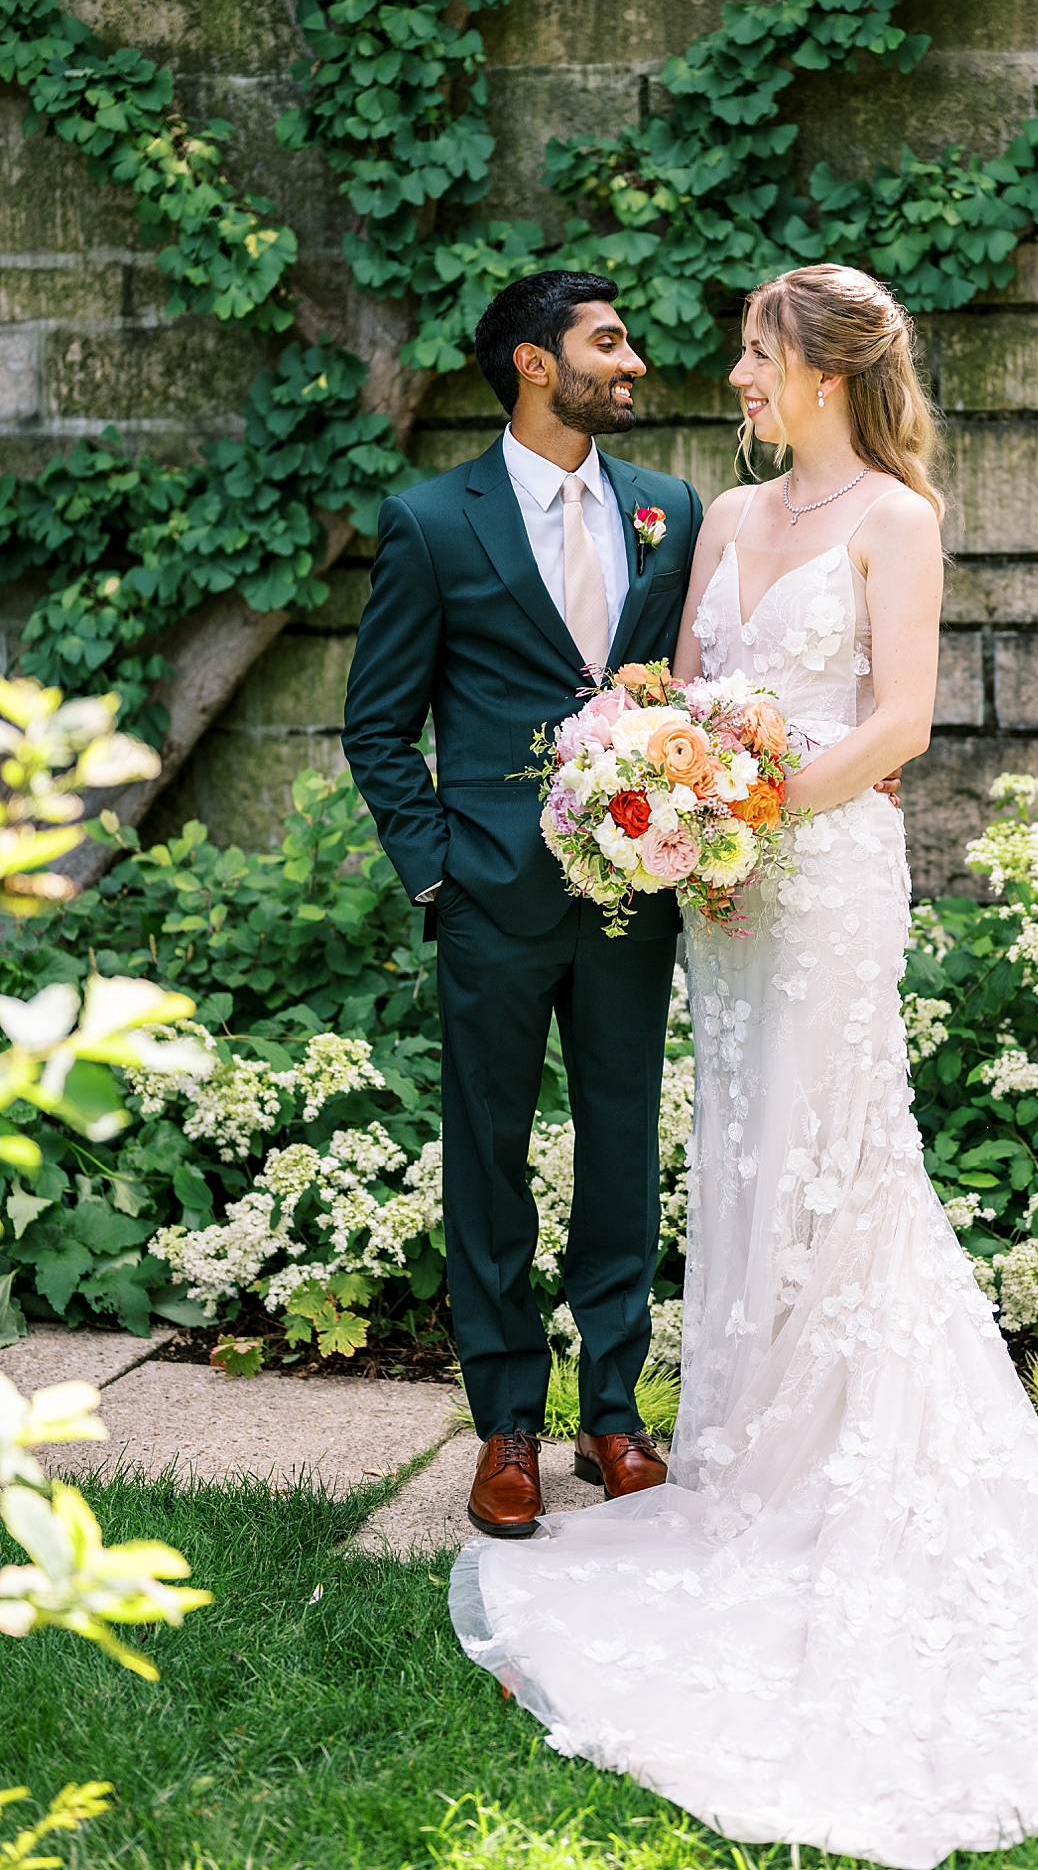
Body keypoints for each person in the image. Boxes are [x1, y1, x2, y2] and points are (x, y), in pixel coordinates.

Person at [452, 264, 1038, 1868]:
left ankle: (855, 1461)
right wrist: (654, 772)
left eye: (752, 351)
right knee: (739, 1156)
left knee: (835, 1157)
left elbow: (903, 722)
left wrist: (744, 806)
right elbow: (679, 689)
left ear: (819, 368)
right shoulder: (725, 527)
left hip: (820, 883)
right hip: (728, 907)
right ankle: (744, 1460)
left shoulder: (895, 517)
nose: (730, 373)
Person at [343, 271, 704, 1537]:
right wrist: (438, 868)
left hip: (629, 895)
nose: (636, 361)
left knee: (622, 1144)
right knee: (488, 1155)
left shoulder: (671, 509)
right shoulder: (433, 519)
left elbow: (684, 691)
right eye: (610, 341)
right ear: (535, 364)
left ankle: (615, 1409)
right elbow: (379, 724)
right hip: (491, 896)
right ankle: (507, 1422)